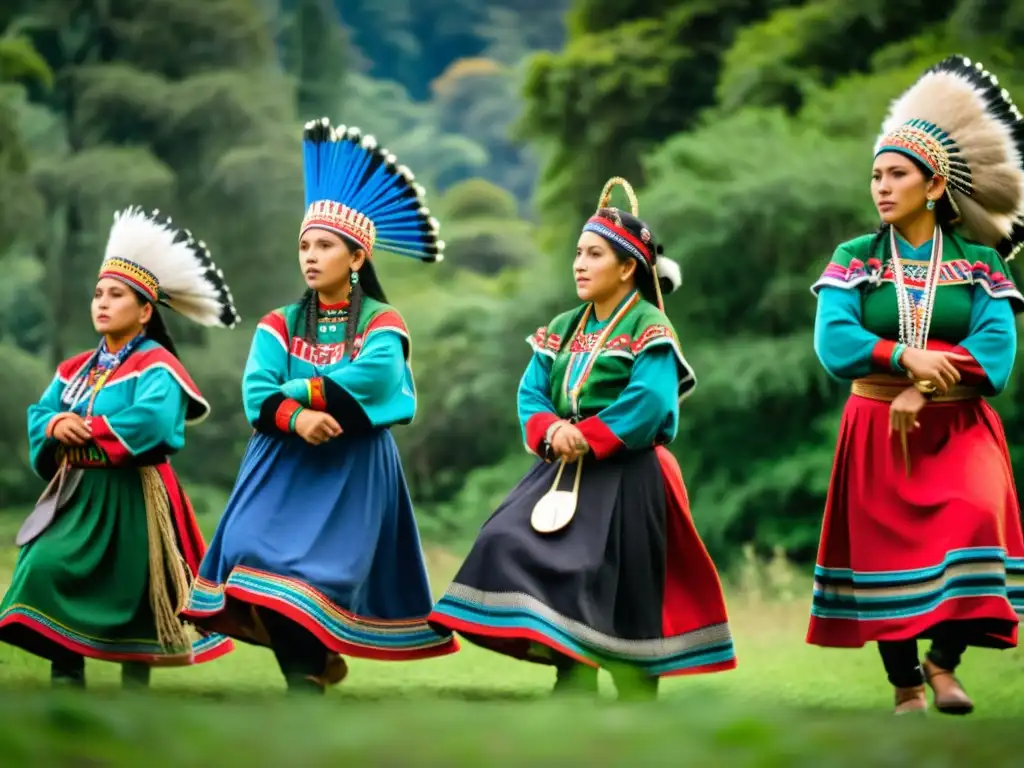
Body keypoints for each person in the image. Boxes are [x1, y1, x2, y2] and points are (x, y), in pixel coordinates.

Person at [428, 177, 736, 701]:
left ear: (626, 267)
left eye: (594, 254)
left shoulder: (649, 326)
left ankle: (636, 684)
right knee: (506, 537)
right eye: (577, 253)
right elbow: (531, 391)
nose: (580, 263)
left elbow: (651, 402)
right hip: (560, 467)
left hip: (631, 472)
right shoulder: (563, 327)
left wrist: (587, 436)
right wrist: (551, 430)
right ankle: (571, 674)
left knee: (626, 580)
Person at [182, 118, 459, 695]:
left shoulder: (382, 321)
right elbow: (256, 389)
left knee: (315, 575)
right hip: (279, 464)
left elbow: (378, 374)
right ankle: (310, 668)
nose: (310, 255)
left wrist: (300, 390)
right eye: (304, 244)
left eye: (325, 245)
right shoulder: (278, 322)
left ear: (357, 257)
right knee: (248, 553)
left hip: (352, 469)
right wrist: (297, 414)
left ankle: (304, 679)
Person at [808, 54, 1024, 716]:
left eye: (896, 174)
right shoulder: (855, 259)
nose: (881, 186)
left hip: (960, 427)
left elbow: (998, 350)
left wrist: (928, 384)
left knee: (977, 517)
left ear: (932, 186)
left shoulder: (980, 264)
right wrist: (905, 359)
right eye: (875, 175)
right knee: (883, 551)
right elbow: (834, 341)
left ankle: (944, 661)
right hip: (877, 426)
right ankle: (904, 684)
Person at [0, 207, 240, 687]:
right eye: (98, 294)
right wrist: (54, 427)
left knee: (135, 590)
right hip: (76, 494)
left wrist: (82, 426)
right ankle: (66, 675)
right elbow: (40, 414)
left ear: (145, 310)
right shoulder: (73, 369)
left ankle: (136, 688)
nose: (102, 304)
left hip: (134, 496)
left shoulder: (158, 365)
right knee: (45, 567)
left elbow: (152, 421)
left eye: (116, 295)